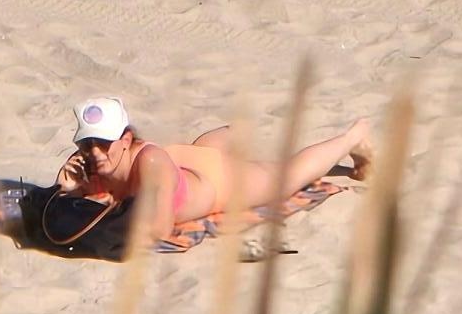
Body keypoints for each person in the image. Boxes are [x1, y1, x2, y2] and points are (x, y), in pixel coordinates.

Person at [32, 97, 372, 253]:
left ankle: (353, 137)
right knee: (206, 148)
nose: (94, 152)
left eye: (103, 144)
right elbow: (85, 201)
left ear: (124, 140)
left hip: (217, 182)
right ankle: (229, 134)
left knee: (285, 177)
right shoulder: (93, 163)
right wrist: (69, 189)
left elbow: (161, 228)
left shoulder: (147, 162)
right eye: (87, 143)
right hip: (183, 163)